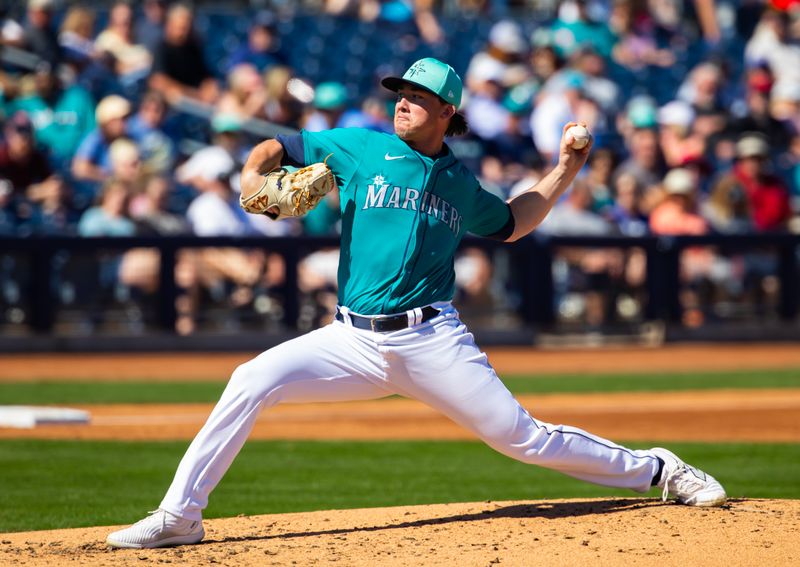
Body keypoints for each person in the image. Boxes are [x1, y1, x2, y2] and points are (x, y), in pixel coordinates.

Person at [106, 57, 726, 549]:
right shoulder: (359, 147)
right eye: (399, 92)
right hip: (350, 338)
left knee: (521, 437)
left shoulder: (458, 181)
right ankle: (179, 516)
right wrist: (253, 183)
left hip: (432, 339)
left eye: (417, 95)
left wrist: (565, 167)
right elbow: (276, 147)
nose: (401, 100)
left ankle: (659, 470)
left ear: (446, 110)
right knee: (250, 379)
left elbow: (512, 221)